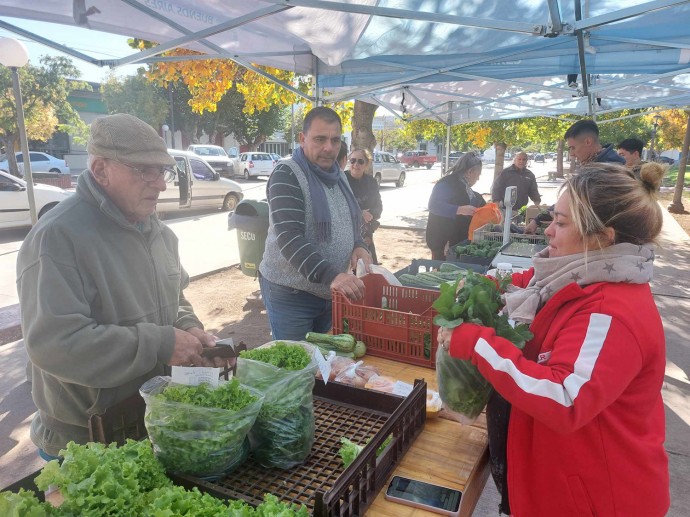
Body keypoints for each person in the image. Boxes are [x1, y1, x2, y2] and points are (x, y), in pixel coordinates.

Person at [438, 162, 670, 516]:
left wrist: (477, 344)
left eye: (561, 223)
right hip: (552, 485)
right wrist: (491, 291)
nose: (548, 232)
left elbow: (565, 398)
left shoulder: (611, 312)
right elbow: (538, 299)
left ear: (603, 238)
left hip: (596, 501)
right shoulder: (571, 277)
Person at [16, 113, 222, 460]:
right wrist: (159, 344)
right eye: (144, 170)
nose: (160, 184)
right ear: (100, 171)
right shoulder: (57, 238)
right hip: (84, 439)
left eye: (163, 171)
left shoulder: (156, 230)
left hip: (146, 418)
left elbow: (175, 296)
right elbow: (55, 344)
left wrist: (187, 325)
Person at [259, 107, 372, 340]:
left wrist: (359, 243)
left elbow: (349, 217)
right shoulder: (287, 175)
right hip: (291, 294)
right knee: (297, 368)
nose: (329, 147)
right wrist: (333, 276)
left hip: (329, 291)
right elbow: (290, 239)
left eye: (335, 140)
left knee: (325, 365)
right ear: (302, 139)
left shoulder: (338, 174)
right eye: (320, 139)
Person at [525, 119, 625, 234]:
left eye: (573, 148)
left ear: (588, 142)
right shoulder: (595, 166)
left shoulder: (609, 171)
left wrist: (558, 215)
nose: (572, 154)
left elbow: (579, 205)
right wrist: (538, 220)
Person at [426, 153, 486, 260]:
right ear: (470, 172)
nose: (478, 179)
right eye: (478, 175)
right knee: (441, 270)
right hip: (442, 240)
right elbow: (433, 205)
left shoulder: (465, 186)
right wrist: (459, 210)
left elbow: (472, 199)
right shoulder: (447, 183)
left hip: (457, 240)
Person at [346, 148, 383, 264]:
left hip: (366, 234)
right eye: (353, 161)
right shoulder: (341, 180)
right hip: (346, 233)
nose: (356, 164)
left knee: (370, 268)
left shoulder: (371, 182)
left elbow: (379, 207)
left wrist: (370, 214)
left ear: (366, 164)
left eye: (360, 161)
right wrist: (360, 213)